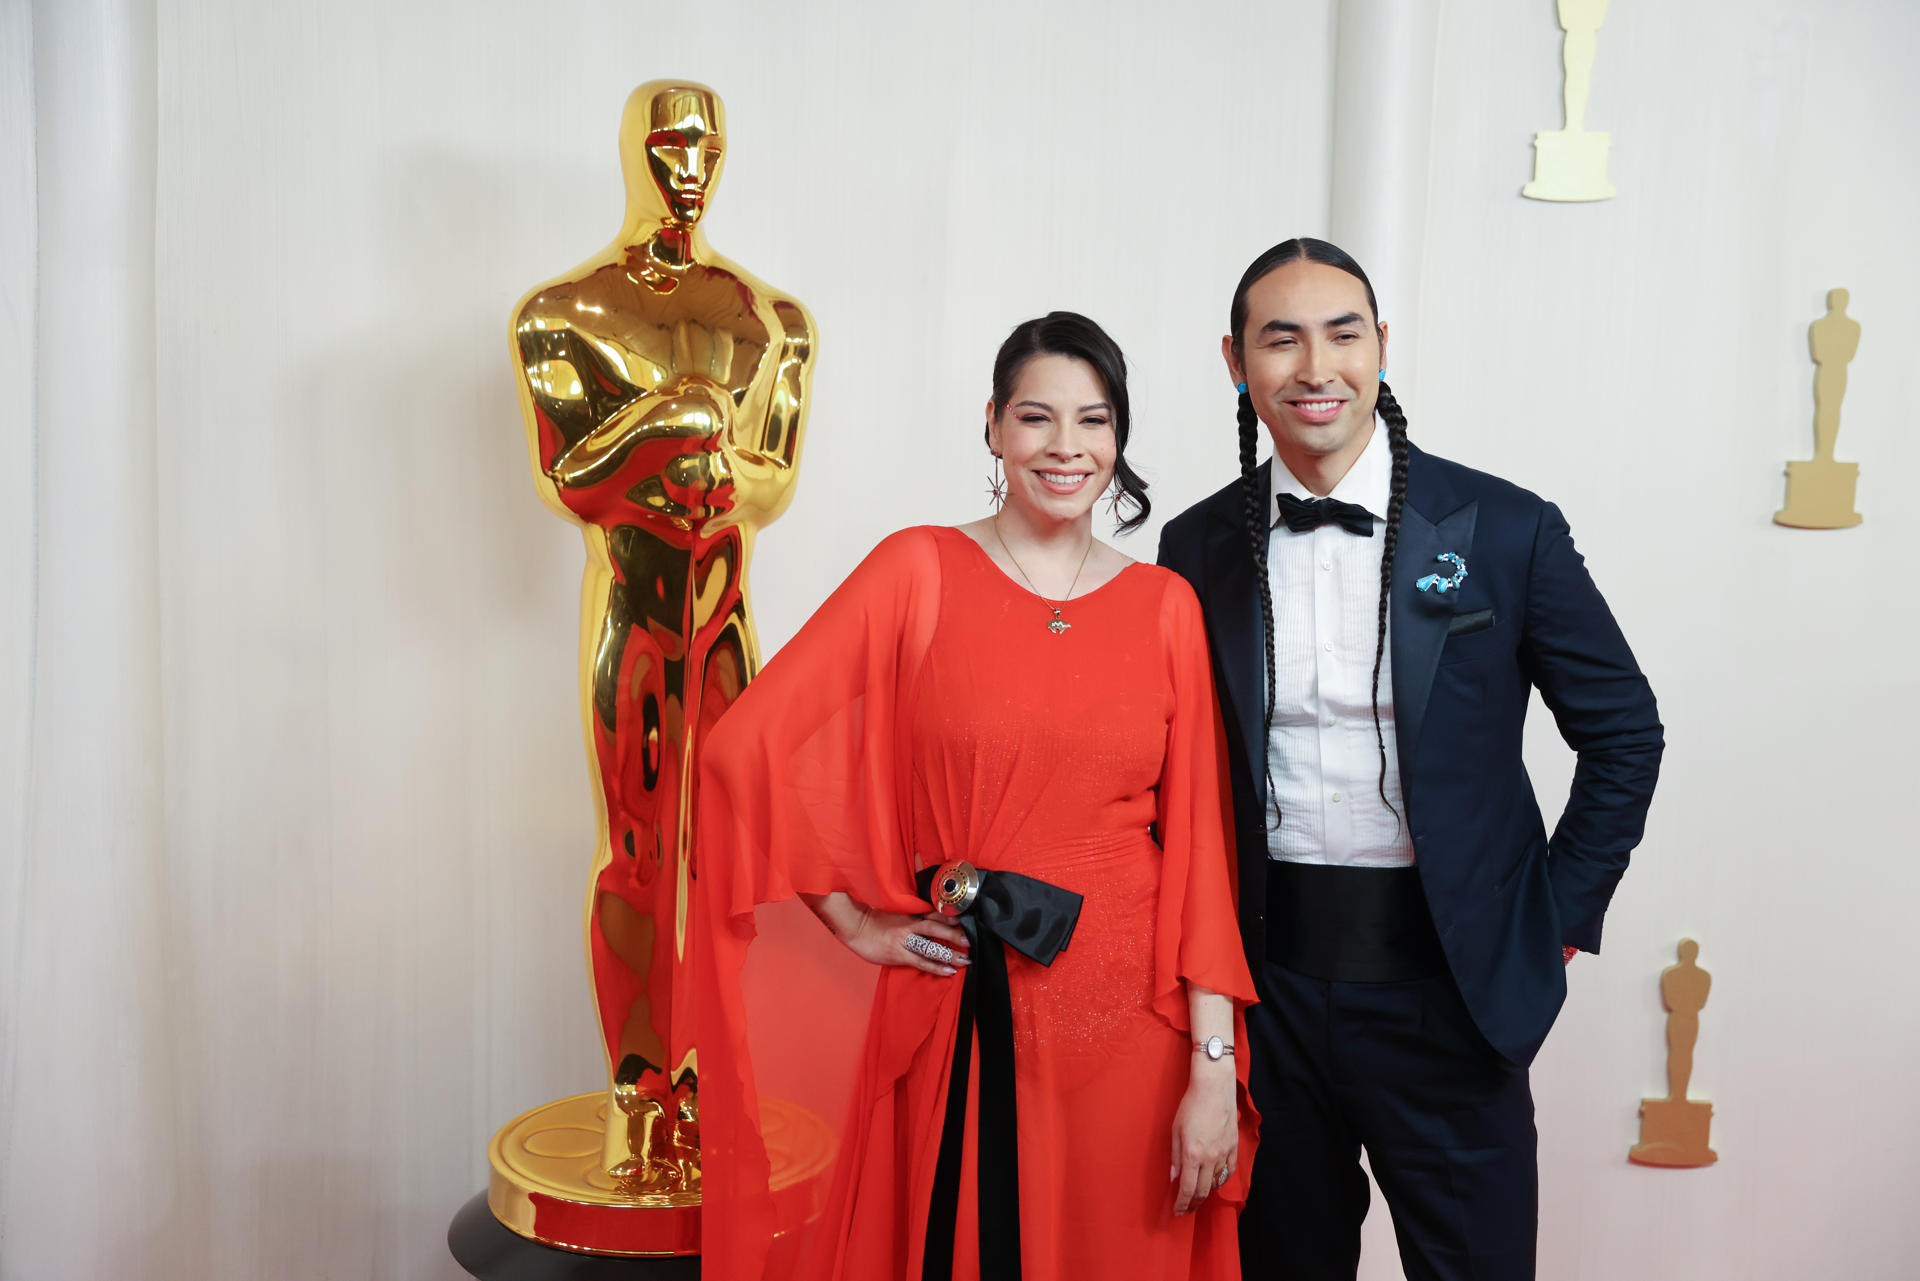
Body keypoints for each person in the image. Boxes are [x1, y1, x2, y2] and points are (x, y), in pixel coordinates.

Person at [692, 312, 1259, 1281]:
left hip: (1134, 1030)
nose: (1066, 447)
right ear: (994, 426)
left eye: (1094, 420)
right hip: (965, 1005)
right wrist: (857, 922)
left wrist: (1213, 1068)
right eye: (1037, 418)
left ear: (1120, 439)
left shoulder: (1167, 607)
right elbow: (745, 747)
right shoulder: (917, 569)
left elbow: (1204, 853)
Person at [1157, 239, 1663, 1281]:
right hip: (1270, 995)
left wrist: (1551, 921)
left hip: (1452, 992)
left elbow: (1624, 732)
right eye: (1280, 338)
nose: (1314, 367)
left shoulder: (1504, 528)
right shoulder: (1195, 544)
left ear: (1382, 347)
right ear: (1235, 360)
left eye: (1344, 334)